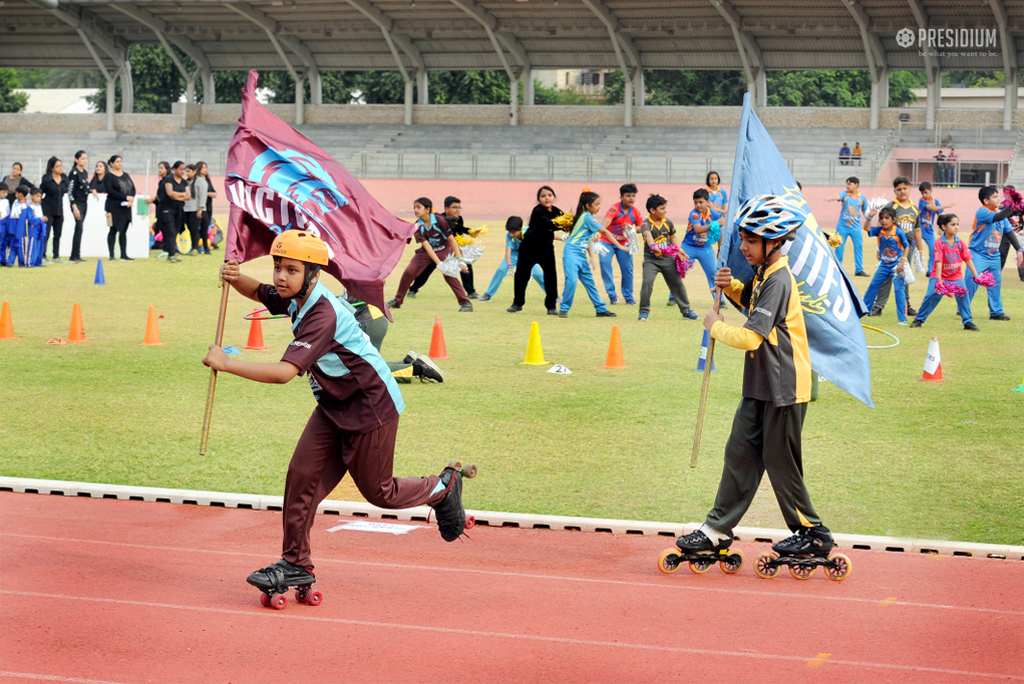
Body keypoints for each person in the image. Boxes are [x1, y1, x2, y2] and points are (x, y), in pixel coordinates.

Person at [203, 231, 471, 595]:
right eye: (277, 267)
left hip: (371, 406)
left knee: (380, 493)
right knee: (301, 479)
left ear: (313, 275)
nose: (281, 277)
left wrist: (227, 363)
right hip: (333, 405)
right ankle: (295, 564)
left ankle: (442, 487)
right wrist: (236, 279)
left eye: (291, 270)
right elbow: (260, 292)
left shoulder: (321, 314)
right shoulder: (294, 295)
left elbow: (284, 373)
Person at [674, 195, 835, 561]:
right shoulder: (766, 274)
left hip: (785, 387)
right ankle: (716, 530)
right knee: (740, 453)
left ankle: (812, 533)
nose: (743, 247)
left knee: (781, 462)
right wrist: (730, 287)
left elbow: (750, 335)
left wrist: (716, 327)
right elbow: (752, 300)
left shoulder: (779, 280)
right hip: (761, 384)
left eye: (750, 240)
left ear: (774, 242)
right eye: (743, 239)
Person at [387, 197, 472, 312]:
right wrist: (438, 263)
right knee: (409, 271)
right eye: (414, 208)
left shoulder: (440, 220)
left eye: (418, 207)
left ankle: (465, 303)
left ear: (427, 209)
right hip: (426, 252)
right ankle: (397, 301)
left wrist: (460, 259)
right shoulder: (417, 226)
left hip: (444, 249)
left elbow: (452, 240)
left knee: (449, 274)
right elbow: (426, 246)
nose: (416, 210)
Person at [347, 295, 444, 383]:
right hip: (370, 319)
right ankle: (407, 362)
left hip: (369, 320)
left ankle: (419, 368)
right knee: (362, 367)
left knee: (365, 371)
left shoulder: (358, 275)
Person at [911, 214, 979, 331]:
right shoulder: (939, 243)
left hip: (956, 277)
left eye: (957, 224)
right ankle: (919, 319)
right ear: (944, 227)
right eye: (953, 225)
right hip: (939, 277)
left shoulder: (960, 243)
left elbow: (968, 259)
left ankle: (968, 322)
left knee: (963, 296)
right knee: (931, 296)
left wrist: (977, 276)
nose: (956, 227)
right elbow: (938, 262)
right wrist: (939, 281)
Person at [964, 186, 1022, 321]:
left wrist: (1019, 249)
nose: (999, 199)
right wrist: (1012, 206)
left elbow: (1009, 233)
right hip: (978, 254)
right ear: (985, 200)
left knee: (995, 283)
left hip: (994, 256)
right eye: (995, 197)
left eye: (998, 196)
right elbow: (999, 216)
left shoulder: (1000, 213)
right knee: (972, 281)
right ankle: (963, 308)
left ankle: (996, 312)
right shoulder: (982, 212)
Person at [868, 176, 923, 318]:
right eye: (899, 189)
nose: (902, 192)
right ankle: (878, 306)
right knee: (885, 278)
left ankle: (906, 305)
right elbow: (881, 228)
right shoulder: (890, 207)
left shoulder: (914, 209)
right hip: (891, 247)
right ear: (894, 191)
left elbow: (916, 230)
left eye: (905, 188)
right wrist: (878, 248)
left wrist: (920, 250)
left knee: (904, 276)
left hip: (907, 248)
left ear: (910, 189)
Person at [558, 188, 617, 318]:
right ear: (588, 206)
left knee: (590, 283)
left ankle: (600, 309)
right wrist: (619, 245)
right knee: (572, 281)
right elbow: (605, 231)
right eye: (596, 204)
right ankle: (564, 308)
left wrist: (591, 257)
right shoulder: (587, 217)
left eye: (599, 204)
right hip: (571, 253)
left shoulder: (585, 217)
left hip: (581, 255)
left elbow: (588, 239)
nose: (599, 207)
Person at [637, 193, 697, 321]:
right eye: (662, 209)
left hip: (667, 260)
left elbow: (673, 237)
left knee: (677, 284)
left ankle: (686, 310)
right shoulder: (645, 224)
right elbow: (647, 235)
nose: (665, 211)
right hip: (651, 261)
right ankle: (644, 311)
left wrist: (679, 250)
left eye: (665, 208)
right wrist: (653, 245)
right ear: (652, 210)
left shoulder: (668, 222)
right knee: (647, 283)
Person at [407, 196, 476, 299]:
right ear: (447, 209)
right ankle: (413, 289)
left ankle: (471, 292)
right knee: (428, 268)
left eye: (459, 207)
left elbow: (459, 230)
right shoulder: (439, 219)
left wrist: (470, 232)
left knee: (465, 264)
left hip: (451, 248)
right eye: (454, 207)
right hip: (436, 248)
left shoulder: (459, 219)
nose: (457, 210)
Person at [509, 185, 564, 315]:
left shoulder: (556, 211)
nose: (547, 198)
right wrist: (563, 223)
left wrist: (571, 224)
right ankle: (517, 303)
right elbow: (549, 224)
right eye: (543, 196)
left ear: (554, 197)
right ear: (538, 199)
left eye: (549, 195)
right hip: (529, 248)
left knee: (551, 276)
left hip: (546, 249)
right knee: (521, 276)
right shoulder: (537, 211)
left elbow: (566, 223)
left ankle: (551, 306)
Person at [478, 216, 545, 302]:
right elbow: (508, 251)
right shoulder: (509, 235)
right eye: (509, 232)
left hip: (528, 254)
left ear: (520, 230)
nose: (511, 234)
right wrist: (509, 266)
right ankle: (488, 294)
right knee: (501, 269)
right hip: (514, 254)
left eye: (513, 232)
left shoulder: (529, 232)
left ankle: (553, 296)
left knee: (538, 274)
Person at [862, 207, 910, 325]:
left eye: (887, 218)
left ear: (893, 220)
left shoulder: (898, 232)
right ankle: (863, 310)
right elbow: (866, 228)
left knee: (899, 290)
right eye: (882, 218)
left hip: (896, 266)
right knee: (873, 285)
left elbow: (906, 247)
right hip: (884, 265)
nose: (884, 221)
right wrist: (870, 217)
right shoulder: (879, 231)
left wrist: (903, 261)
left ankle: (902, 319)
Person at [597, 183, 641, 305]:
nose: (631, 198)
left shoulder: (636, 212)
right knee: (604, 264)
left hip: (625, 243)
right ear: (621, 197)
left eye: (633, 196)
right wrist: (596, 233)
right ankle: (612, 295)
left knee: (627, 269)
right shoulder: (614, 209)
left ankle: (628, 297)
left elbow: (642, 228)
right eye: (628, 196)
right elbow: (605, 223)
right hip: (607, 242)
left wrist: (631, 228)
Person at [825, 176, 870, 277]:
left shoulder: (861, 198)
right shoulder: (844, 195)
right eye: (847, 184)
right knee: (839, 247)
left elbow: (865, 211)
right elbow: (837, 196)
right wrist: (829, 199)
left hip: (856, 228)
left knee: (858, 247)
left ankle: (859, 269)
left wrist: (870, 217)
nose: (847, 186)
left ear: (856, 185)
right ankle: (837, 268)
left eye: (850, 184)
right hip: (842, 227)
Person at [682, 188, 722, 294]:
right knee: (680, 270)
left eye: (701, 202)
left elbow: (720, 232)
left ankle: (719, 300)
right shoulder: (694, 214)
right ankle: (673, 297)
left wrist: (720, 249)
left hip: (705, 248)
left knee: (713, 274)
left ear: (708, 202)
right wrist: (715, 224)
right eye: (696, 203)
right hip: (689, 246)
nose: (698, 205)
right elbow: (698, 229)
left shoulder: (714, 215)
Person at [917, 181, 954, 275]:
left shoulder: (936, 202)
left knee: (934, 248)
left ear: (931, 191)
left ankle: (930, 270)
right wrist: (946, 206)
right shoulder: (922, 201)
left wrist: (941, 227)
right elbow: (933, 209)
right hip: (918, 229)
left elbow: (940, 215)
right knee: (911, 247)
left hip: (928, 230)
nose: (924, 195)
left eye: (926, 192)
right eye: (922, 193)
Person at [103, 155, 135, 261]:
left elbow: (132, 188)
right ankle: (111, 255)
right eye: (117, 161)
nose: (120, 163)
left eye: (121, 161)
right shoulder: (109, 176)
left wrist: (131, 199)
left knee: (123, 231)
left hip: (126, 207)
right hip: (114, 206)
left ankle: (123, 254)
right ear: (111, 163)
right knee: (113, 230)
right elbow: (110, 190)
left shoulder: (125, 175)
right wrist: (125, 197)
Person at [158, 161, 190, 263]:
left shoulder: (184, 182)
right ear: (174, 169)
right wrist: (182, 195)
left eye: (184, 170)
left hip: (179, 209)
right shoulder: (168, 179)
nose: (182, 172)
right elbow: (170, 193)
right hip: (167, 209)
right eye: (180, 169)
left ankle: (170, 253)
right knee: (170, 231)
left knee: (175, 231)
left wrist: (178, 197)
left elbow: (188, 196)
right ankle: (172, 254)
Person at [39, 156, 67, 263]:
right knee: (47, 233)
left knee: (58, 234)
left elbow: (67, 190)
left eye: (61, 165)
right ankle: (43, 255)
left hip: (59, 209)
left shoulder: (64, 178)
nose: (60, 168)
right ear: (51, 168)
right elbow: (40, 191)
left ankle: (56, 256)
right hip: (48, 209)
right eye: (57, 166)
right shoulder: (46, 179)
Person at [67, 151, 90, 264]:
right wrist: (74, 207)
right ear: (76, 160)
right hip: (77, 204)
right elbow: (70, 191)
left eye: (86, 158)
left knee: (80, 229)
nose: (84, 161)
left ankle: (76, 254)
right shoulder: (73, 173)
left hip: (84, 203)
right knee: (79, 227)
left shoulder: (84, 172)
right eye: (82, 159)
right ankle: (75, 255)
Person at [998, 185, 1024, 282]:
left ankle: (1023, 276)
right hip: (1006, 234)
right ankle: (996, 274)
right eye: (1006, 193)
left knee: (1022, 254)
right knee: (1002, 254)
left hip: (1019, 232)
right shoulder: (1002, 206)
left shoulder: (1020, 205)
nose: (1008, 195)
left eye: (1010, 192)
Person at [5, 186, 30, 267]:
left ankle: (21, 263)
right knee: (12, 246)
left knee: (20, 247)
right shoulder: (15, 202)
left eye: (16, 193)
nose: (15, 194)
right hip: (12, 227)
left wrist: (19, 233)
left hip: (19, 230)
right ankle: (10, 262)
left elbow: (22, 221)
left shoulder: (24, 207)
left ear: (21, 194)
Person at [182, 164, 203, 256]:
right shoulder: (186, 182)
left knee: (194, 229)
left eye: (189, 171)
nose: (187, 173)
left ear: (195, 171)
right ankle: (192, 247)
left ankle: (195, 248)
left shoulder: (200, 181)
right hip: (186, 209)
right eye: (186, 171)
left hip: (195, 209)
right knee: (190, 229)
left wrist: (200, 209)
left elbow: (202, 196)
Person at [196, 161, 216, 255]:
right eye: (203, 167)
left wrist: (206, 193)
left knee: (205, 228)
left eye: (206, 167)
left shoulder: (207, 180)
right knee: (196, 228)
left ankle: (205, 248)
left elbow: (214, 193)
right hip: (199, 207)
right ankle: (196, 247)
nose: (205, 169)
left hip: (208, 207)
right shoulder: (197, 180)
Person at [27, 188, 48, 267]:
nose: (39, 198)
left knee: (40, 246)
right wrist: (40, 219)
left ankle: (38, 262)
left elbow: (40, 216)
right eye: (37, 196)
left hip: (41, 229)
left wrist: (44, 218)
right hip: (34, 229)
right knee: (33, 246)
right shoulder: (30, 207)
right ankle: (30, 263)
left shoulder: (39, 206)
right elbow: (31, 219)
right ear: (32, 196)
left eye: (40, 196)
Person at [0, 186, 9, 267]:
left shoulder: (6, 201)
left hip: (6, 223)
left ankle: (3, 259)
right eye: (3, 192)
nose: (5, 194)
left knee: (4, 243)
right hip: (0, 223)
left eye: (6, 192)